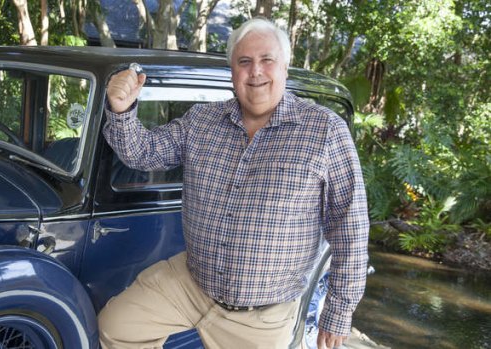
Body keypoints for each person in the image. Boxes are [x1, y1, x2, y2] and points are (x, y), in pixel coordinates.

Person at [99, 18, 369, 349]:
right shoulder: (202, 121)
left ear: (285, 66)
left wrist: (338, 312)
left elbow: (350, 229)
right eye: (244, 62)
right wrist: (122, 109)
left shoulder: (325, 130)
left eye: (266, 60)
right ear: (232, 71)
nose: (255, 71)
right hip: (191, 281)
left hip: (262, 313)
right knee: (117, 326)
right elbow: (144, 154)